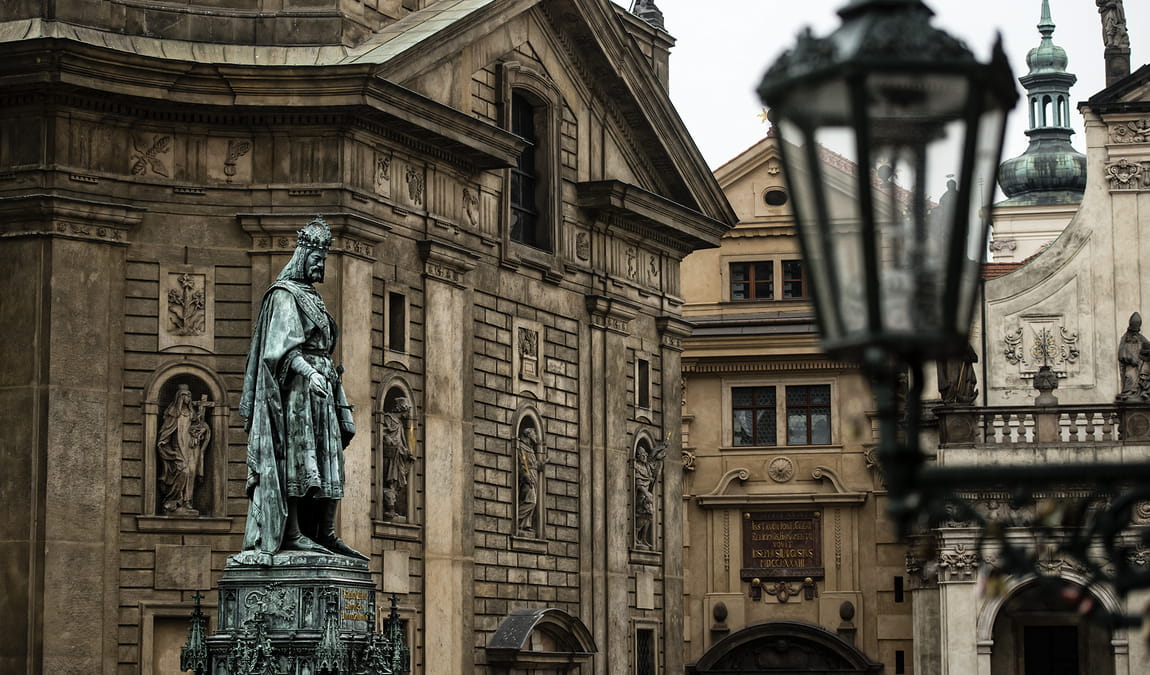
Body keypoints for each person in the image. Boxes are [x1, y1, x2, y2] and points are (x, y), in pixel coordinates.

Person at [238, 216, 364, 560]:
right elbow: (279, 349)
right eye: (317, 259)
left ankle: (325, 532)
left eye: (324, 260)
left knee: (328, 459)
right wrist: (309, 374)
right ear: (302, 256)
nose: (321, 266)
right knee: (297, 458)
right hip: (297, 394)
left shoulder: (312, 297)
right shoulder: (284, 295)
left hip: (322, 393)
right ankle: (292, 532)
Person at [157, 384, 212, 515]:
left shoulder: (192, 414)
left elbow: (200, 427)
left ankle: (187, 501)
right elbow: (166, 431)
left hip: (191, 449)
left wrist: (201, 431)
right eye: (185, 395)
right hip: (177, 449)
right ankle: (174, 499)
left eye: (189, 396)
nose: (188, 398)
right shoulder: (173, 413)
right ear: (180, 397)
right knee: (184, 472)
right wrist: (163, 442)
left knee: (191, 473)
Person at [381, 396, 415, 520]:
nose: (407, 414)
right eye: (406, 410)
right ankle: (389, 510)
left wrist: (406, 453)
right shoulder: (388, 418)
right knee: (391, 481)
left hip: (398, 457)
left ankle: (392, 509)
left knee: (396, 483)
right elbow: (385, 437)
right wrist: (394, 445)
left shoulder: (400, 424)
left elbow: (401, 442)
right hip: (390, 457)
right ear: (402, 408)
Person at [634, 440, 667, 549]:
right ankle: (635, 535)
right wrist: (646, 494)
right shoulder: (637, 466)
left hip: (647, 494)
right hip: (642, 495)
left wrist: (661, 449)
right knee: (643, 515)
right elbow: (638, 483)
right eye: (642, 455)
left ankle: (643, 538)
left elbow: (654, 459)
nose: (644, 456)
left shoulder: (647, 467)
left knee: (650, 515)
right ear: (638, 456)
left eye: (645, 455)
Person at [516, 425, 546, 536]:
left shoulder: (531, 449)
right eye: (534, 434)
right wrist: (525, 474)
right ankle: (517, 519)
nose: (536, 436)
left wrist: (542, 464)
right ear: (528, 434)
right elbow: (521, 462)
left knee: (533, 501)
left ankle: (525, 524)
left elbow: (534, 465)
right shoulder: (521, 447)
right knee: (531, 501)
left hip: (534, 476)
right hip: (528, 477)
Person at [1117, 312, 1150, 402]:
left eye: (1137, 325)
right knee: (1130, 377)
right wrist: (1131, 359)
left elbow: (1147, 346)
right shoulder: (1125, 338)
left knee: (1144, 376)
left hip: (1140, 364)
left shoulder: (1141, 337)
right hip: (1130, 365)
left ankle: (1143, 393)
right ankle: (1128, 394)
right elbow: (1121, 353)